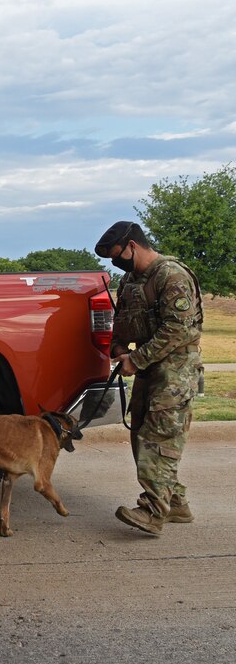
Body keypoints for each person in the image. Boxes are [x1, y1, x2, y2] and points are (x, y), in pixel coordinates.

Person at [94, 221, 203, 535]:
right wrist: (118, 346)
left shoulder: (172, 276)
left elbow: (178, 329)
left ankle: (153, 511)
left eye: (118, 256)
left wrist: (137, 358)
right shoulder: (130, 279)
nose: (117, 264)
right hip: (148, 370)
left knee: (158, 439)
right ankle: (177, 503)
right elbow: (124, 321)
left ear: (132, 246)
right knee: (142, 435)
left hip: (175, 374)